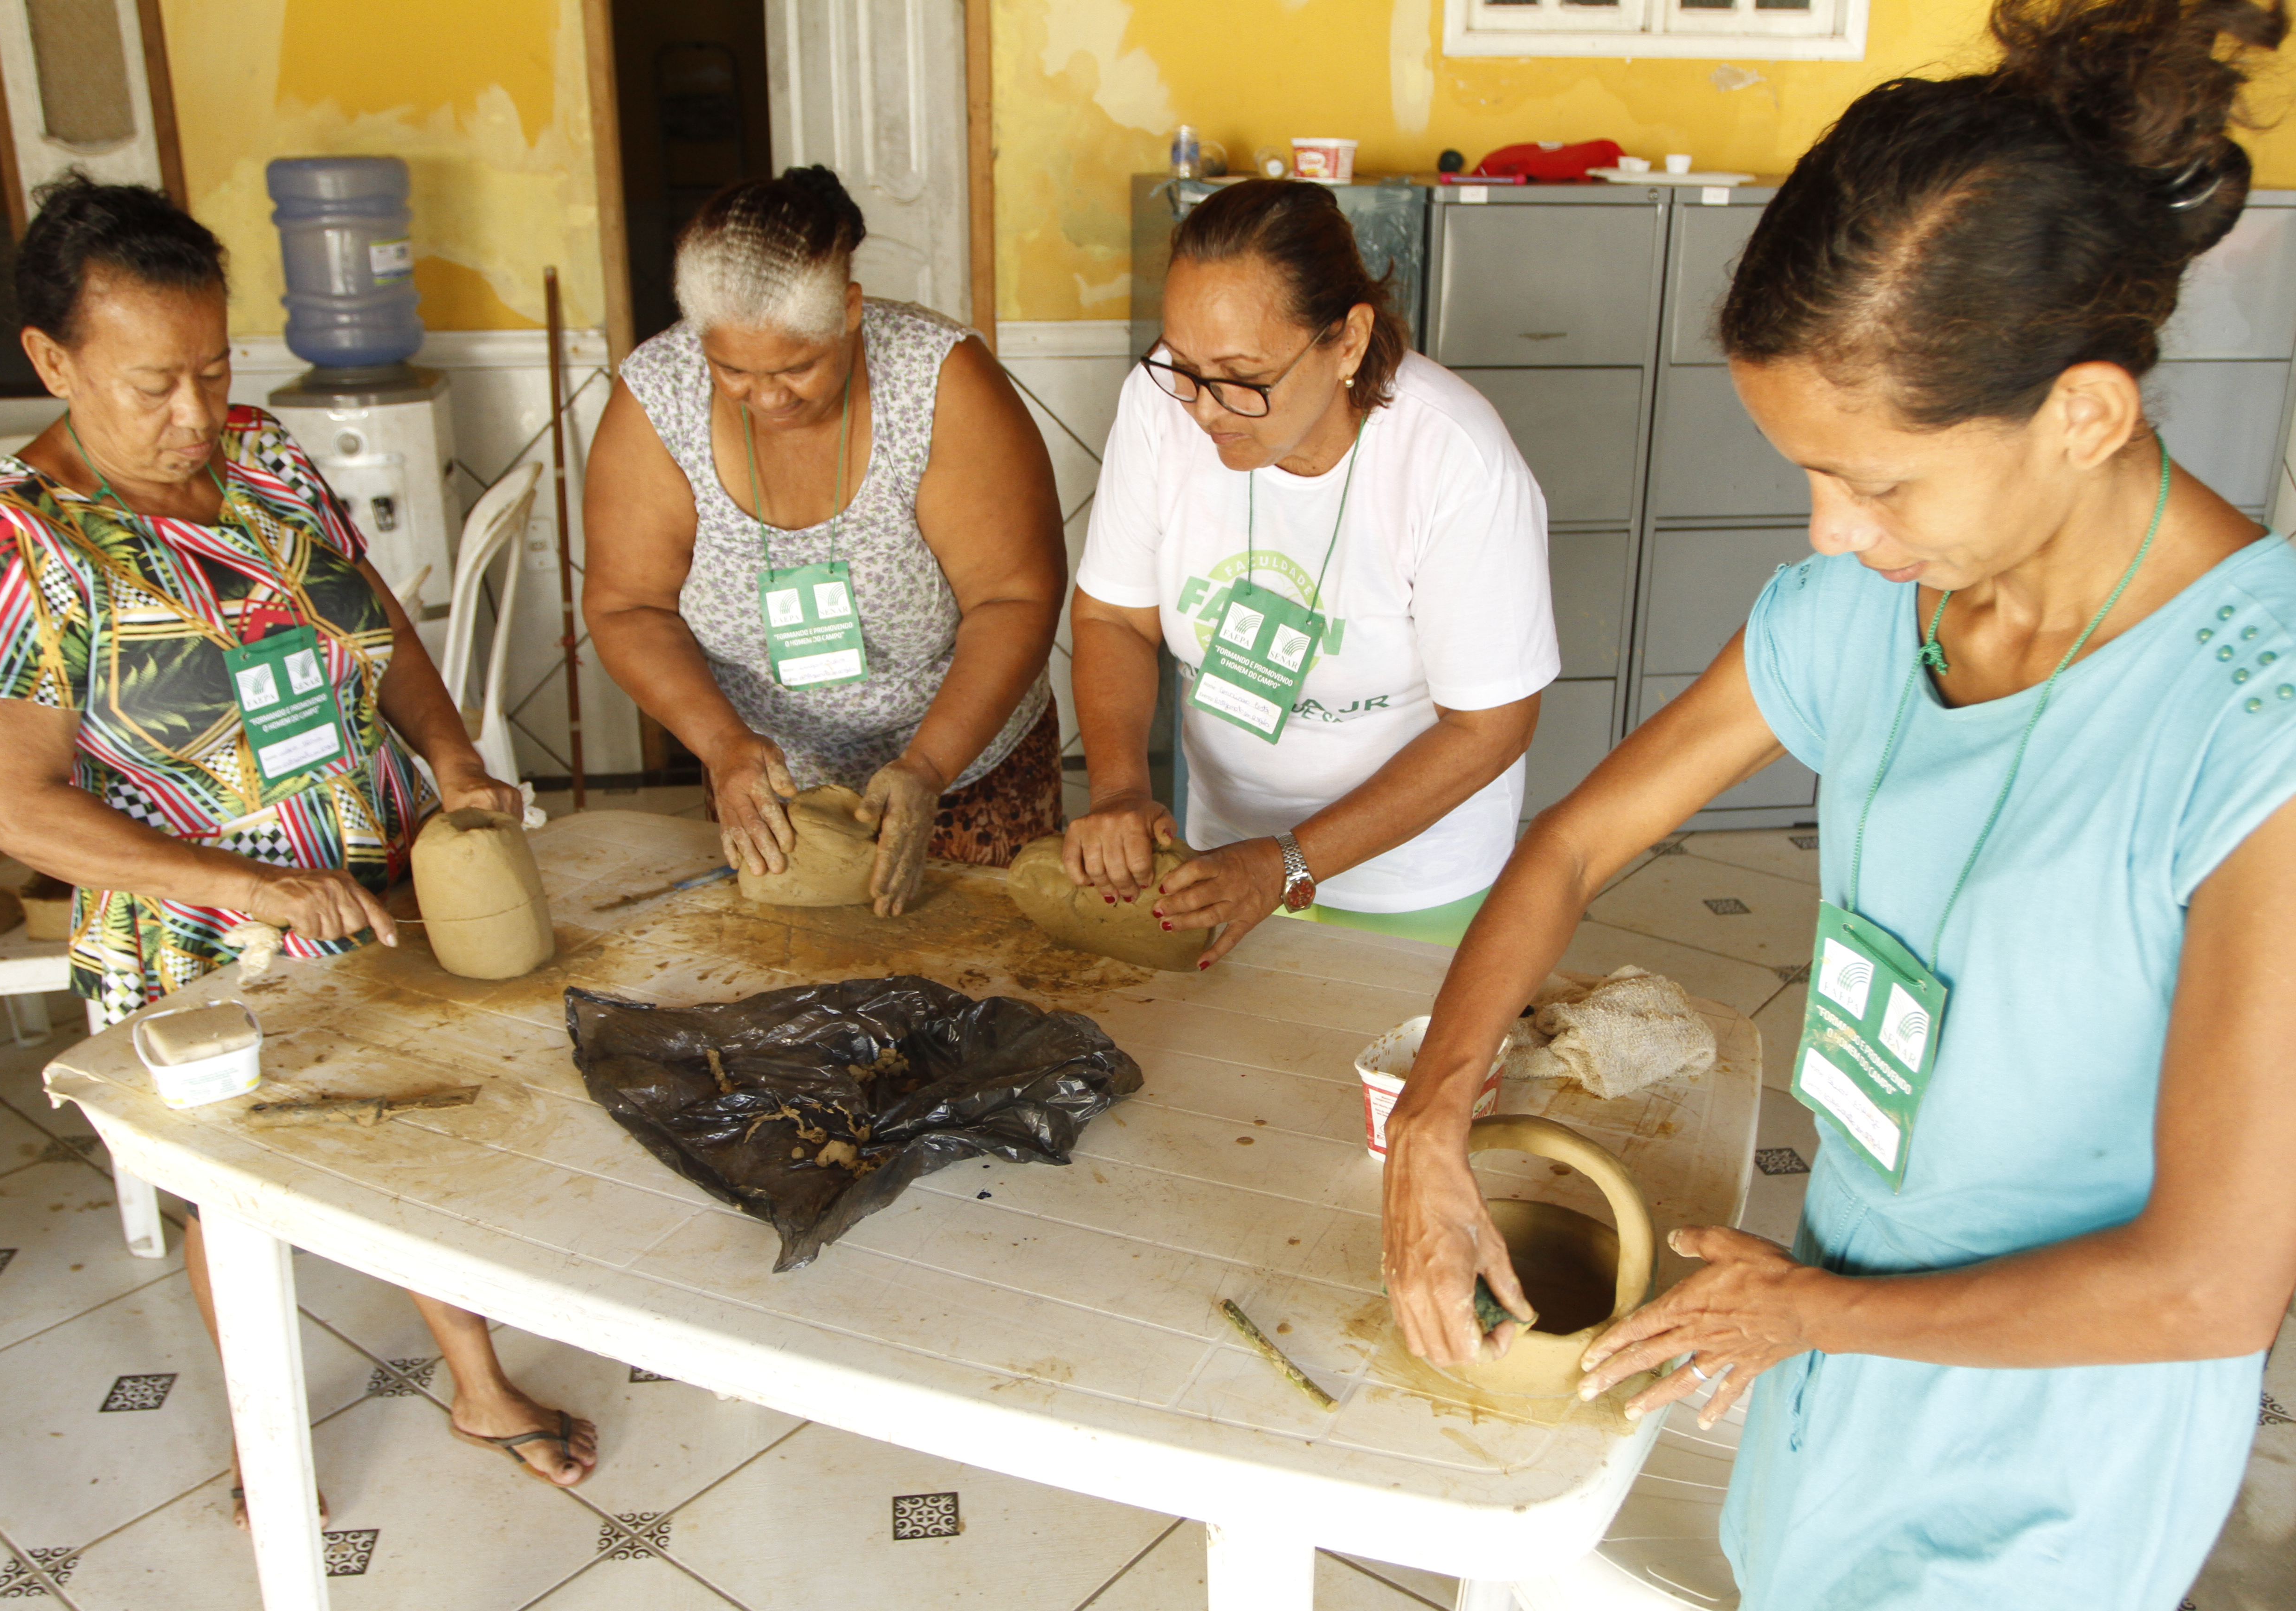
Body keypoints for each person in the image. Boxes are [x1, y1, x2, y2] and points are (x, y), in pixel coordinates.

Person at [1380, 0, 2296, 1604]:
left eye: (1879, 482)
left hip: (2052, 1452)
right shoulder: (1866, 614)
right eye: (1805, 472)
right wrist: (1433, 1124)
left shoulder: (2249, 721)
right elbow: (1576, 840)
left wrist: (1807, 1315)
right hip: (1840, 1328)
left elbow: (2206, 1289)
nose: (1828, 533)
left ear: (2082, 414)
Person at [0, 173, 596, 1520]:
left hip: (363, 874)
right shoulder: (14, 545)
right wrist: (251, 885)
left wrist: (455, 756)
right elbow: (9, 808)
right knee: (236, 1206)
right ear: (52, 361)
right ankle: (265, 1433)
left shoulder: (267, 455)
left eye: (213, 365)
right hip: (197, 935)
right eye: (150, 383)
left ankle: (477, 1383)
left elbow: (380, 622)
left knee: (419, 1141)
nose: (195, 415)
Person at [1064, 179, 1557, 965]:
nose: (1203, 407)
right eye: (1183, 366)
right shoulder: (1161, 406)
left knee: (1376, 1082)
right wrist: (1122, 788)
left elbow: (1488, 727)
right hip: (1223, 854)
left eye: (1242, 378)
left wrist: (1289, 862)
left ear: (1348, 343)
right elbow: (1114, 617)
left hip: (1411, 881)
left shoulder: (1451, 460)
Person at [584, 167, 1066, 911]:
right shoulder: (659, 396)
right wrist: (723, 747)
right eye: (732, 370)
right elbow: (628, 607)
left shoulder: (939, 381)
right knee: (788, 989)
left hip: (962, 769)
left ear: (848, 310)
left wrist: (929, 766)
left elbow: (1015, 597)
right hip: (767, 786)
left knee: (974, 986)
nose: (768, 396)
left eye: (797, 366)